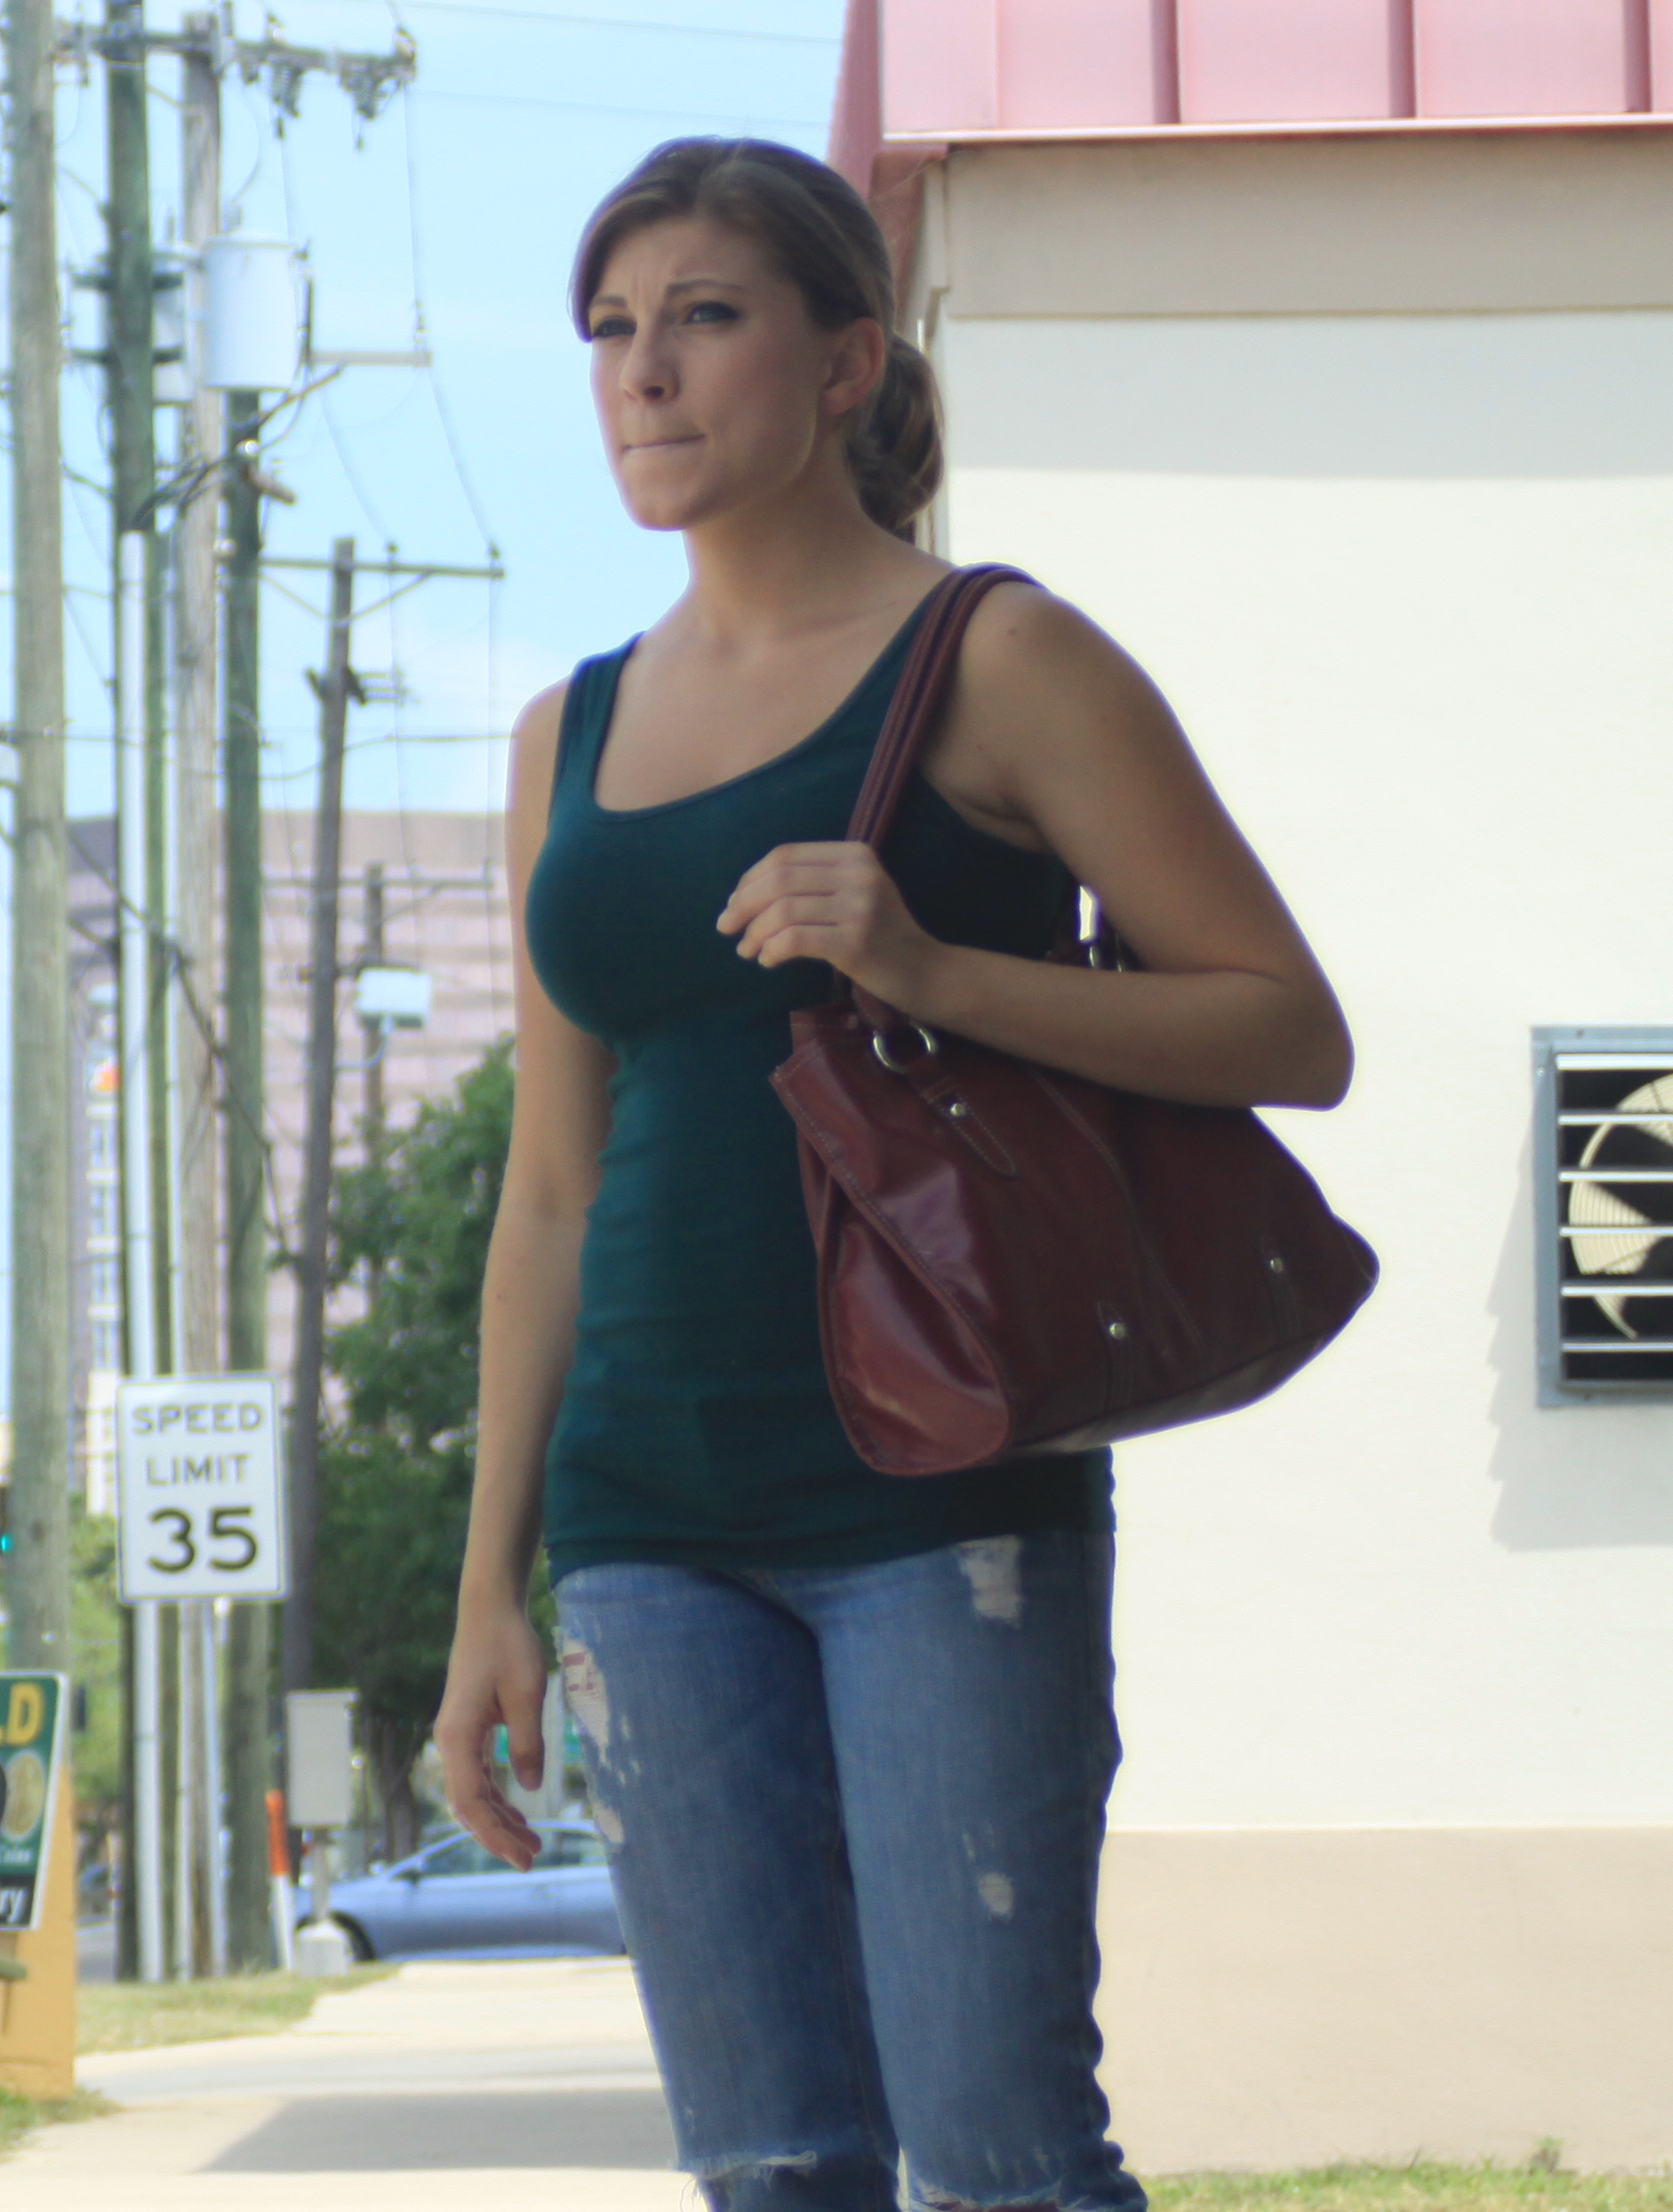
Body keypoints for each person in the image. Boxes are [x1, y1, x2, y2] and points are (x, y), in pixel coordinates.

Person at [428, 137, 1349, 2212]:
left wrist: (930, 966)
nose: (641, 375)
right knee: (771, 2169)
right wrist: (493, 1583)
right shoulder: (562, 735)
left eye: (703, 318)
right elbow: (549, 1193)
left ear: (848, 362)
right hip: (647, 1533)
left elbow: (1288, 1025)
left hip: (944, 1505)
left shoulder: (1001, 660)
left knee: (1002, 2155)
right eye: (608, 332)